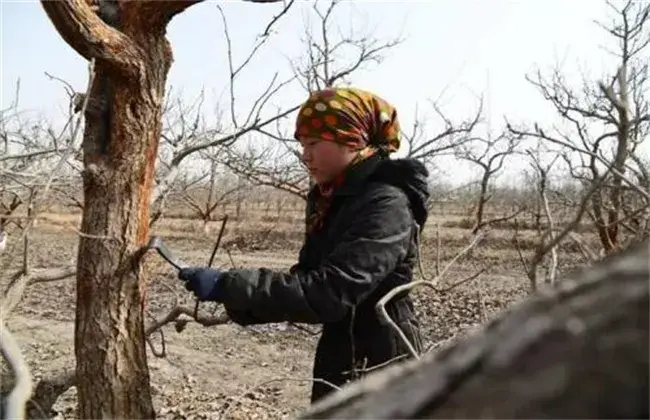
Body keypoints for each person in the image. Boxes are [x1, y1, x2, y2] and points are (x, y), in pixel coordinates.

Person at [178, 87, 430, 404]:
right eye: (301, 144)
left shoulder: (386, 204)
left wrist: (228, 285)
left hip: (383, 360)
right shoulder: (332, 200)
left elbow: (330, 292)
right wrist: (234, 295)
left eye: (313, 143)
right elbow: (306, 281)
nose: (304, 155)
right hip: (341, 352)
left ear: (351, 139)